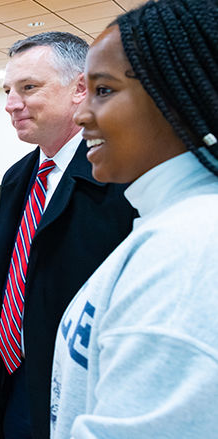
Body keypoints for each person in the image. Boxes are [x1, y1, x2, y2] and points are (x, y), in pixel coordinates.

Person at [51, 1, 218, 437]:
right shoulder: (170, 223)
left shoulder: (190, 250)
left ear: (180, 93)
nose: (82, 114)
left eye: (103, 90)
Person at [0, 32, 137, 439]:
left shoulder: (122, 180)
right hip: (11, 376)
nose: (11, 104)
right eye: (7, 90)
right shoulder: (18, 177)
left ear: (80, 89)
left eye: (28, 88)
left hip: (80, 390)